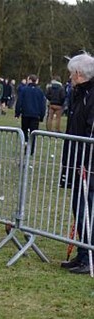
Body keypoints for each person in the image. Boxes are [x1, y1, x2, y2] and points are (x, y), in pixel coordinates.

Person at [60, 52, 94, 275]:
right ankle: (83, 253)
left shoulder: (90, 96)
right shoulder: (78, 94)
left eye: (72, 74)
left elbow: (90, 129)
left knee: (86, 209)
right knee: (78, 206)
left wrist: (86, 160)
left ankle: (88, 256)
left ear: (79, 74)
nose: (70, 77)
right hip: (76, 159)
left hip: (88, 162)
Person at [15, 74, 46, 155]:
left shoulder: (24, 90)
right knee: (33, 133)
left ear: (29, 80)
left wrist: (17, 113)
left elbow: (19, 102)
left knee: (24, 131)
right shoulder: (40, 91)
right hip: (35, 116)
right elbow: (42, 105)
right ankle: (31, 149)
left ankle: (25, 145)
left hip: (25, 114)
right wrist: (42, 116)